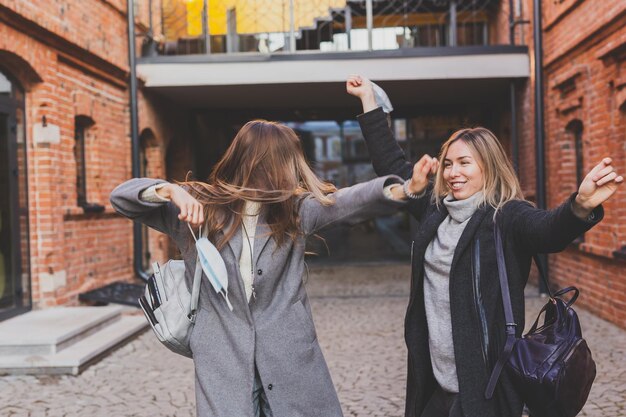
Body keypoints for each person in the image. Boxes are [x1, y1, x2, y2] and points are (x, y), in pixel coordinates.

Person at [347, 75, 623, 417]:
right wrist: (368, 101)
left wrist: (580, 206)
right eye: (448, 163)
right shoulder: (436, 209)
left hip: (485, 386)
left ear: (488, 167)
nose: (452, 172)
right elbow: (391, 164)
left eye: (464, 163)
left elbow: (549, 230)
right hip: (434, 379)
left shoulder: (506, 216)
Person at [110, 119, 420, 417]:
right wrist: (169, 191)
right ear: (247, 161)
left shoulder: (296, 210)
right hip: (222, 357)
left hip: (289, 355)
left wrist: (403, 190)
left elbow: (347, 203)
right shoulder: (200, 205)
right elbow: (121, 198)